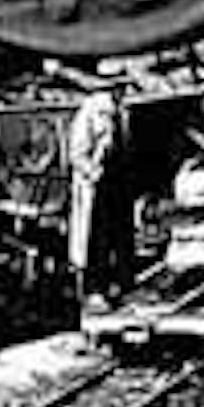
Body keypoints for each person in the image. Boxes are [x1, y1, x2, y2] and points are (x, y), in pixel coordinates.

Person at [66, 84, 133, 305]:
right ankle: (94, 287)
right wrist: (94, 173)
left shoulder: (122, 110)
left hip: (118, 179)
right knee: (96, 237)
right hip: (97, 182)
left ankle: (120, 282)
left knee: (119, 234)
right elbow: (77, 152)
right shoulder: (91, 110)